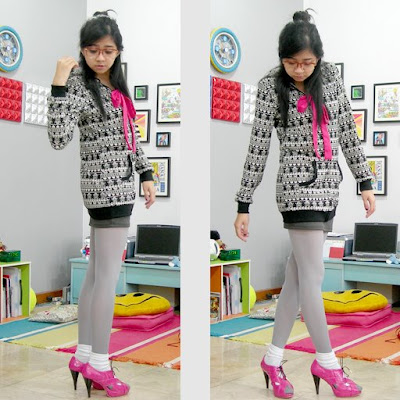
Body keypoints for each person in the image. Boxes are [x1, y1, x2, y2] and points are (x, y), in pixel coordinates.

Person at [234, 10, 375, 399]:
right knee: (313, 276)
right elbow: (258, 147)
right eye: (292, 62)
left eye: (307, 62)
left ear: (319, 59)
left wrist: (364, 180)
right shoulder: (270, 86)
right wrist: (244, 202)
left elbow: (346, 131)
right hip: (296, 191)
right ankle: (327, 362)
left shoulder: (330, 79)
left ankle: (272, 359)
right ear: (281, 58)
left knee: (297, 280)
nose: (299, 70)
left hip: (328, 188)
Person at [47, 10, 156, 398]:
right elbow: (58, 138)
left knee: (96, 276)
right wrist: (58, 85)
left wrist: (146, 173)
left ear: (118, 52)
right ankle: (100, 364)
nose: (100, 57)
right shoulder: (78, 84)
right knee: (108, 279)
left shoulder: (118, 85)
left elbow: (130, 137)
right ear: (82, 50)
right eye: (92, 50)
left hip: (123, 186)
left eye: (108, 51)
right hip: (103, 189)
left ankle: (83, 355)